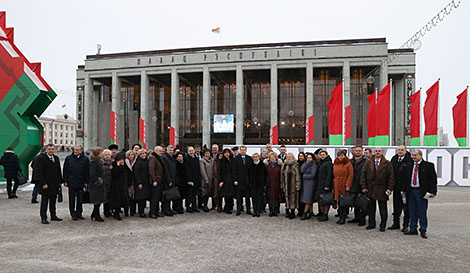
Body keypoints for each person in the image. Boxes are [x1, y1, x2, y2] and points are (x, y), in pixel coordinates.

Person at [403, 150, 437, 239]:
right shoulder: (409, 165)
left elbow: (433, 179)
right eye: (412, 155)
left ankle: (423, 230)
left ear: (420, 155)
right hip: (411, 191)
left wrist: (433, 192)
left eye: (415, 155)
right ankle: (413, 229)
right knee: (412, 211)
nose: (413, 157)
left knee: (422, 211)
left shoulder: (428, 166)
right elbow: (405, 179)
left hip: (421, 192)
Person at [360, 147, 395, 232]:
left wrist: (389, 188)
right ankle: (371, 224)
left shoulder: (387, 163)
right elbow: (363, 175)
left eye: (379, 151)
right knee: (371, 208)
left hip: (382, 188)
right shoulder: (368, 163)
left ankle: (383, 225)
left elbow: (391, 177)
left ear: (382, 152)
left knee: (383, 208)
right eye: (376, 151)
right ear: (374, 152)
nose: (377, 152)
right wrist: (364, 187)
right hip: (370, 188)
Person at [36, 144, 63, 224]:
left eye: (52, 149)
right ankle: (43, 217)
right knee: (44, 201)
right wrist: (43, 183)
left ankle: (53, 215)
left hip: (54, 184)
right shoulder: (41, 159)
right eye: (49, 149)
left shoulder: (56, 158)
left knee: (53, 201)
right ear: (46, 150)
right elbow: (39, 172)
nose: (51, 150)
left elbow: (58, 170)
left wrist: (60, 181)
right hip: (46, 184)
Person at [389, 145, 412, 232]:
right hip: (396, 188)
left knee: (406, 208)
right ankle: (396, 223)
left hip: (405, 189)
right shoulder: (394, 159)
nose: (400, 151)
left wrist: (406, 188)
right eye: (398, 150)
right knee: (396, 207)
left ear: (406, 151)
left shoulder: (409, 160)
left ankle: (405, 225)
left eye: (402, 150)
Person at [63, 146, 90, 220]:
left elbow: (87, 171)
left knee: (80, 199)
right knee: (71, 199)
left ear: (81, 150)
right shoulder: (69, 158)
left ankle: (79, 213)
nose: (75, 151)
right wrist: (65, 180)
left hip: (81, 182)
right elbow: (65, 170)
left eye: (77, 150)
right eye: (75, 150)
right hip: (71, 182)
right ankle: (73, 213)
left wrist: (86, 181)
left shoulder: (85, 159)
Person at [333, 149, 354, 225]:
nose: (340, 157)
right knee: (339, 200)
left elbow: (351, 175)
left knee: (344, 201)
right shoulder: (336, 163)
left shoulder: (348, 164)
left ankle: (343, 217)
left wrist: (348, 185)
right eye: (339, 155)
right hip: (337, 183)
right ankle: (340, 215)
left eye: (342, 155)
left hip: (344, 183)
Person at [349, 145, 368, 226]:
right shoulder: (351, 161)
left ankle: (362, 219)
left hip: (362, 184)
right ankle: (356, 217)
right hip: (353, 184)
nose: (358, 152)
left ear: (362, 151)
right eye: (356, 151)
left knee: (362, 202)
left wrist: (365, 186)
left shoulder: (366, 161)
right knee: (355, 202)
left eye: (359, 151)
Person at [233, 145, 253, 216]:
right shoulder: (236, 159)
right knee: (239, 197)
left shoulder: (249, 158)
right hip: (239, 180)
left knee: (247, 197)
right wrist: (235, 180)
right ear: (240, 151)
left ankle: (248, 210)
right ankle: (239, 210)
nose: (243, 151)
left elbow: (251, 171)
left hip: (247, 181)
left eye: (244, 150)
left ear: (246, 150)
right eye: (241, 150)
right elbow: (234, 170)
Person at [148, 146, 167, 218]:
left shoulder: (159, 158)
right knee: (154, 198)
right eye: (160, 151)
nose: (161, 152)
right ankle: (152, 212)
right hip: (155, 181)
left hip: (160, 181)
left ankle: (156, 211)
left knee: (158, 197)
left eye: (162, 151)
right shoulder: (153, 158)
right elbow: (151, 170)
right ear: (156, 151)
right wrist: (154, 180)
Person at [281, 153, 301, 219]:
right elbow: (282, 176)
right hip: (286, 185)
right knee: (287, 198)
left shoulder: (295, 165)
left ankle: (292, 212)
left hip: (293, 185)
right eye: (288, 157)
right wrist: (282, 184)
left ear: (293, 158)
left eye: (290, 157)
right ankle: (287, 211)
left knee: (293, 199)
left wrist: (298, 185)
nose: (289, 158)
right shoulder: (284, 165)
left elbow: (298, 176)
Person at [110, 153, 130, 220]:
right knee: (117, 200)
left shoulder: (125, 165)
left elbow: (128, 173)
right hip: (116, 186)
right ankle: (116, 213)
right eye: (120, 160)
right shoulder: (114, 164)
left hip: (124, 185)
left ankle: (125, 211)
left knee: (124, 199)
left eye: (122, 159)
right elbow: (114, 174)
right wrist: (118, 166)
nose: (122, 161)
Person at [89, 147, 106, 222]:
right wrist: (98, 180)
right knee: (97, 201)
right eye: (101, 152)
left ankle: (94, 214)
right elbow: (92, 173)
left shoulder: (99, 161)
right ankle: (96, 215)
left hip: (100, 183)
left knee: (99, 200)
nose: (103, 154)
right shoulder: (94, 161)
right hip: (96, 184)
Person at [247, 152, 267, 217]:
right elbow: (248, 175)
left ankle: (258, 211)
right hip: (253, 185)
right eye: (254, 157)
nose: (255, 158)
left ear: (259, 157)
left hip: (260, 184)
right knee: (254, 198)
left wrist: (265, 184)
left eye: (256, 156)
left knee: (259, 198)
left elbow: (265, 175)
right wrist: (249, 182)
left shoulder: (262, 165)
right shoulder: (250, 165)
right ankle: (255, 211)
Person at [315, 150, 333, 222]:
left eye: (323, 154)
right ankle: (322, 213)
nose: (322, 156)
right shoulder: (321, 163)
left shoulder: (328, 163)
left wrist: (327, 185)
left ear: (326, 155)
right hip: (320, 184)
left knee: (326, 200)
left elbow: (329, 175)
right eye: (321, 155)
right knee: (321, 199)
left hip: (325, 184)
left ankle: (325, 214)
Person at [133, 149, 151, 218]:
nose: (143, 155)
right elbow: (136, 174)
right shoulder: (138, 163)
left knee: (145, 197)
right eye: (142, 154)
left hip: (146, 182)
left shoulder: (147, 161)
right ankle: (141, 212)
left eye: (144, 154)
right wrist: (139, 183)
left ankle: (143, 210)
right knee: (141, 199)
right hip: (141, 183)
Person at [184, 146, 202, 213]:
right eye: (190, 151)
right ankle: (188, 207)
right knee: (189, 194)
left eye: (192, 150)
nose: (191, 152)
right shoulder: (186, 159)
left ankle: (194, 206)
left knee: (195, 194)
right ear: (187, 152)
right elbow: (187, 170)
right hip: (190, 180)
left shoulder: (196, 158)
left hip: (196, 179)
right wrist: (189, 180)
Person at [299, 153, 317, 220]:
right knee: (306, 198)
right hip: (305, 183)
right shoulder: (305, 163)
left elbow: (313, 174)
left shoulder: (313, 165)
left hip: (310, 183)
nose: (309, 159)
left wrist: (304, 176)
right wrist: (307, 164)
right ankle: (310, 212)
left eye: (310, 158)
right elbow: (302, 170)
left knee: (308, 198)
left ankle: (305, 212)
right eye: (308, 157)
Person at [218, 148, 235, 214]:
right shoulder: (222, 161)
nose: (227, 154)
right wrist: (221, 180)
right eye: (225, 153)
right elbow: (220, 172)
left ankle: (230, 206)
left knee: (231, 194)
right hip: (225, 180)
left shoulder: (232, 160)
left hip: (231, 179)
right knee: (226, 195)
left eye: (228, 153)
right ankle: (227, 208)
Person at [265, 152, 282, 217]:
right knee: (270, 197)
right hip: (269, 184)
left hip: (277, 183)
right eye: (271, 157)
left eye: (273, 157)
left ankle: (275, 210)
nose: (272, 159)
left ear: (276, 158)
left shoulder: (279, 165)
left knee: (276, 197)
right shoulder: (267, 166)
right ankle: (271, 210)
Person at [163, 145, 177, 216]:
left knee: (171, 195)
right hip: (168, 180)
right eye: (170, 150)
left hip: (173, 179)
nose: (171, 152)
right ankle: (166, 210)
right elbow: (166, 171)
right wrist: (169, 181)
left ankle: (169, 209)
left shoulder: (172, 158)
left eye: (172, 150)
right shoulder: (165, 158)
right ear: (167, 151)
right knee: (167, 196)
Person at [124, 150, 137, 216]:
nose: (131, 156)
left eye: (132, 155)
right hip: (127, 182)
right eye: (129, 155)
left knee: (133, 197)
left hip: (134, 181)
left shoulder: (136, 162)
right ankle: (126, 211)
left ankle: (133, 211)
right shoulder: (125, 162)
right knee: (127, 197)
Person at [102, 149, 114, 218]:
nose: (107, 156)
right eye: (106, 155)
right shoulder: (101, 162)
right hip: (104, 182)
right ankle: (106, 211)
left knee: (110, 197)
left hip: (111, 182)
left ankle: (110, 210)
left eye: (108, 155)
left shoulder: (113, 162)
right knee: (105, 198)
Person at [297, 152, 306, 217]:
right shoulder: (297, 164)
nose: (301, 157)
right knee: (298, 197)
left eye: (302, 156)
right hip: (298, 182)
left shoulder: (306, 163)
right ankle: (299, 211)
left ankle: (304, 211)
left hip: (305, 182)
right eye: (300, 156)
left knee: (304, 197)